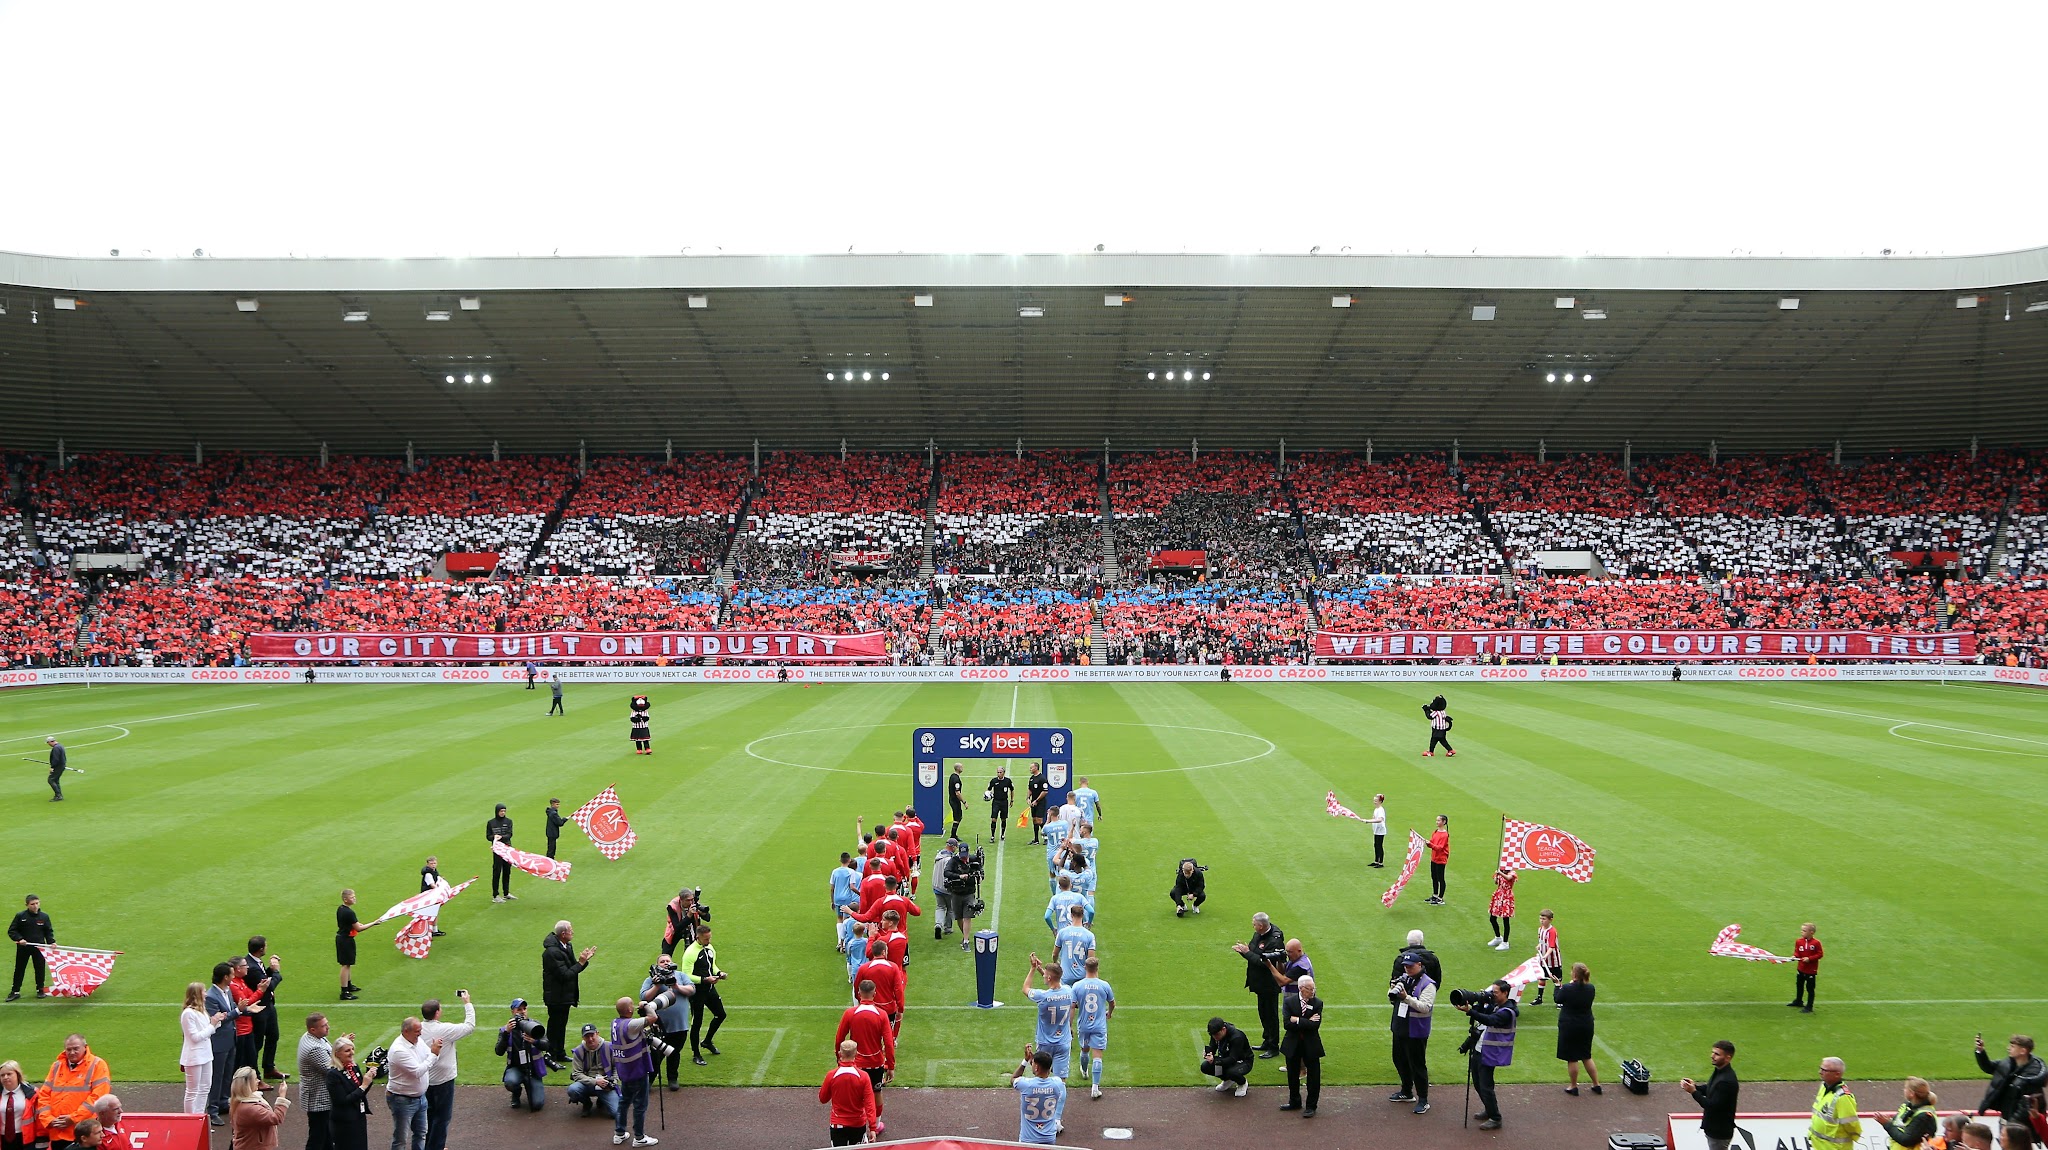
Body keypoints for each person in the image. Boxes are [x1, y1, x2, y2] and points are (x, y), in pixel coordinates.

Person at [833, 981, 895, 1137]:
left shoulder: (850, 1013)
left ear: (859, 993)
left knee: (857, 1096)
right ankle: (876, 1124)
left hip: (857, 1063)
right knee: (876, 1091)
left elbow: (840, 1038)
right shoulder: (881, 1014)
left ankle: (857, 1125)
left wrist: (838, 1056)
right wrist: (891, 1065)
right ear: (875, 993)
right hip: (876, 1063)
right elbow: (888, 1042)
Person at [1455, 979, 1518, 1130]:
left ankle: (1495, 1117)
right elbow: (1483, 1013)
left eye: (1495, 992)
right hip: (1479, 1049)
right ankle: (1489, 1109)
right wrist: (1479, 1001)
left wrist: (1470, 1011)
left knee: (1486, 1086)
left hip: (1490, 1052)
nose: (1493, 995)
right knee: (1477, 1083)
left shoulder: (1507, 1012)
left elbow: (1490, 1020)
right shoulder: (1495, 1005)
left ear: (1505, 993)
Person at [419, 991, 475, 1150]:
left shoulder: (418, 1029)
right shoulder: (445, 1030)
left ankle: (428, 1145)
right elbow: (469, 1026)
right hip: (443, 1080)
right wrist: (467, 1003)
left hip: (425, 1079)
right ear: (437, 1013)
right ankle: (435, 1147)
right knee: (442, 1117)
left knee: (428, 1115)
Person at [606, 997, 660, 1146]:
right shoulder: (632, 1024)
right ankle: (639, 1137)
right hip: (637, 1069)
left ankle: (619, 1133)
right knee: (640, 1104)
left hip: (624, 1070)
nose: (634, 1006)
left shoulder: (615, 1023)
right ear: (629, 1010)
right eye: (632, 1005)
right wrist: (646, 1005)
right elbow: (653, 1017)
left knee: (624, 1102)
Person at [39, 1034, 109, 1147]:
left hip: (84, 1135)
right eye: (69, 1049)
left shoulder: (98, 1065)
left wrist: (73, 1118)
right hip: (57, 1133)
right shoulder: (56, 1066)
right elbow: (44, 1095)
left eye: (76, 1048)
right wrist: (49, 1120)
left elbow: (97, 1098)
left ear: (85, 1047)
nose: (72, 1052)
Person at [1233, 912, 1287, 1057]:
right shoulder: (1258, 934)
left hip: (1269, 984)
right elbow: (1253, 952)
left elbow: (1264, 962)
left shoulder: (1274, 940)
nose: (1253, 926)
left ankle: (1273, 1047)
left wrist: (1248, 953)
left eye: (1254, 924)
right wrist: (1244, 952)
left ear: (1261, 926)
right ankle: (1267, 1041)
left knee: (1271, 1015)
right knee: (1263, 1013)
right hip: (1259, 983)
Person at [1975, 1034, 2046, 1143]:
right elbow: (1988, 1067)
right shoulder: (2008, 1063)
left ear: (2023, 1051)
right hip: (2007, 1119)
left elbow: (2026, 1109)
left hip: (2019, 1127)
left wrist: (2010, 1125)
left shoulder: (2033, 1078)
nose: (2008, 1048)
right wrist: (1980, 1051)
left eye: (2013, 1046)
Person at [541, 922, 595, 1063]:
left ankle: (559, 1052)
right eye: (571, 930)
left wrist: (583, 962)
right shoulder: (552, 953)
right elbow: (565, 975)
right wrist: (581, 962)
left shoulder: (566, 946)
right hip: (555, 996)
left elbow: (572, 969)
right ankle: (551, 1054)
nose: (573, 932)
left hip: (564, 995)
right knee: (555, 1026)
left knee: (561, 1024)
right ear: (563, 934)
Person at [1389, 951, 1436, 1114]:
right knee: (1399, 1059)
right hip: (1400, 1027)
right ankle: (1406, 1091)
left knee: (1417, 1065)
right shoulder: (1404, 978)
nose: (1407, 969)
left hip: (1416, 1031)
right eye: (1405, 966)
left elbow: (1425, 1007)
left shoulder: (1428, 984)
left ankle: (1423, 1099)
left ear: (1420, 965)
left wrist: (1406, 997)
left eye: (1410, 966)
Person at [383, 1018, 438, 1150]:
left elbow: (428, 1056)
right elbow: (417, 1071)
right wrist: (434, 1053)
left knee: (421, 1134)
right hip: (402, 1099)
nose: (420, 1034)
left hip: (420, 1098)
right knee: (401, 1139)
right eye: (417, 1031)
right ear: (406, 1031)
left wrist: (433, 1053)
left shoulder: (417, 1041)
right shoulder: (398, 1050)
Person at [637, 956, 691, 1089]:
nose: (666, 963)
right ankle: (649, 1080)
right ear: (657, 965)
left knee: (674, 1053)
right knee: (656, 1055)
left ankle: (672, 1079)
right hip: (658, 1027)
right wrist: (657, 986)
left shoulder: (681, 976)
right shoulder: (651, 979)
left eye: (668, 961)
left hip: (679, 1024)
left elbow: (691, 990)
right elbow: (644, 997)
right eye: (662, 962)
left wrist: (676, 986)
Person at [681, 924, 728, 1067]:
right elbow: (686, 975)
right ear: (698, 937)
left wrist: (719, 973)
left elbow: (711, 966)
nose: (708, 940)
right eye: (706, 938)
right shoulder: (690, 953)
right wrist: (704, 980)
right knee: (697, 1023)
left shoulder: (709, 948)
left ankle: (707, 1041)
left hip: (709, 989)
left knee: (721, 1014)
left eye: (709, 937)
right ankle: (696, 1054)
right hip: (696, 993)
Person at [1021, 954, 1074, 1080]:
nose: (1043, 976)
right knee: (1061, 1081)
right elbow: (1054, 983)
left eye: (1045, 975)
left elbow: (1025, 988)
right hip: (1063, 1041)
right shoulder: (1069, 991)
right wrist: (1041, 969)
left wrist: (1033, 968)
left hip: (1045, 1043)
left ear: (1049, 978)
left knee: (1041, 1076)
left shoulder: (1042, 996)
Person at [241, 937, 287, 1081]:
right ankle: (255, 1075)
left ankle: (269, 1067)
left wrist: (269, 970)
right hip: (259, 1008)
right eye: (266, 946)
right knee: (257, 1042)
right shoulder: (252, 967)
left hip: (268, 1006)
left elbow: (264, 977)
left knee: (273, 1036)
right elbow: (269, 985)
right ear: (261, 949)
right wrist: (276, 971)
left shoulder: (253, 963)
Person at [1280, 973, 1325, 1117]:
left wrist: (1297, 1020)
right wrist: (1305, 1021)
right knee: (1292, 1075)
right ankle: (1294, 1101)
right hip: (1293, 1044)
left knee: (1314, 1076)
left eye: (1313, 989)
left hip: (1311, 1045)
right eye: (1310, 989)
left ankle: (1311, 1106)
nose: (1313, 991)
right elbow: (1287, 1024)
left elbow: (1315, 1025)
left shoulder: (1317, 1003)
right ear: (1301, 988)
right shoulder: (1289, 1002)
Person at [1680, 1041, 1740, 1150]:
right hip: (1716, 1129)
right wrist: (1695, 1087)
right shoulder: (1720, 1072)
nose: (1712, 1056)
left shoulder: (1726, 1081)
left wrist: (1693, 1091)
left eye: (1717, 1054)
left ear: (1728, 1058)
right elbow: (1711, 1088)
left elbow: (1711, 1106)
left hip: (1719, 1132)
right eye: (1713, 1053)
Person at [1071, 956, 1115, 1101]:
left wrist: (1069, 1025)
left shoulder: (1077, 986)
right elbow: (1112, 1003)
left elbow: (1072, 1006)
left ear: (1085, 968)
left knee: (1084, 1049)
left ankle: (1084, 1071)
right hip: (1099, 1025)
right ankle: (1095, 1088)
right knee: (1098, 1055)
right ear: (1097, 968)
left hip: (1083, 1025)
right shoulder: (1104, 985)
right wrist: (1109, 1013)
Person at [324, 1038, 380, 1150]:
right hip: (344, 1122)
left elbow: (360, 1093)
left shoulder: (353, 1067)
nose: (352, 1053)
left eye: (352, 1049)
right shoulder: (333, 1074)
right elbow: (342, 1101)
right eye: (347, 1050)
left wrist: (368, 1080)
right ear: (337, 1054)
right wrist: (364, 1085)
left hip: (358, 1116)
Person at [819, 1040, 876, 1147]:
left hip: (837, 1124)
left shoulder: (831, 1075)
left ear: (840, 1054)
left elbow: (823, 1099)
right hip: (857, 1124)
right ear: (856, 1054)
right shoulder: (863, 1076)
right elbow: (870, 1103)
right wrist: (873, 1127)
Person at [179, 981, 225, 1115]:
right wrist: (212, 1025)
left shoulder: (202, 1011)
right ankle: (189, 1121)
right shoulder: (188, 1014)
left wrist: (217, 1021)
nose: (206, 994)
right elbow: (195, 1037)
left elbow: (208, 1030)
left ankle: (199, 1118)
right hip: (194, 1056)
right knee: (192, 1090)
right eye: (203, 991)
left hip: (206, 1054)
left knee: (205, 1088)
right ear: (197, 994)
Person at [206, 962, 243, 1124]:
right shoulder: (211, 996)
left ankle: (223, 1102)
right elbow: (219, 1019)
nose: (234, 976)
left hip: (229, 1040)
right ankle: (212, 1110)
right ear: (225, 977)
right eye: (231, 974)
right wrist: (238, 1011)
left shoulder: (226, 991)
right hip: (219, 1043)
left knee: (227, 1074)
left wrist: (245, 1009)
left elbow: (233, 1009)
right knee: (217, 1076)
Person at [1555, 962, 1601, 1094]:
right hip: (1586, 1024)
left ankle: (1573, 1086)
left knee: (1572, 1057)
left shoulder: (1568, 988)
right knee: (1586, 1055)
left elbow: (1558, 999)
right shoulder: (1591, 988)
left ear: (1574, 974)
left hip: (1569, 1025)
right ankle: (1596, 1084)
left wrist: (1558, 986)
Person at [1008, 1047, 1067, 1145]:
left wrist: (1026, 1060)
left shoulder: (1025, 1084)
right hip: (1049, 1138)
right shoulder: (1057, 1083)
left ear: (1036, 1067)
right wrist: (1037, 1063)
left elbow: (1013, 1078)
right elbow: (1044, 1073)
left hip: (1028, 1140)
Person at [494, 1000, 546, 1111]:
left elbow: (547, 1045)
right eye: (519, 1009)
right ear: (512, 1011)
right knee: (510, 1082)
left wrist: (535, 1041)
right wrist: (506, 1033)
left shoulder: (536, 1026)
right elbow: (498, 1051)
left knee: (537, 1104)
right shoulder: (505, 1029)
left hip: (533, 1070)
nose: (522, 1012)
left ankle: (530, 1085)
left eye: (524, 1009)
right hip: (516, 1068)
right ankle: (516, 1092)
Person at [297, 1014, 337, 1150]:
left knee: (326, 1135)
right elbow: (332, 1069)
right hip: (318, 1098)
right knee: (317, 1137)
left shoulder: (314, 1037)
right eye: (324, 1026)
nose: (328, 1027)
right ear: (313, 1030)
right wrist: (343, 1051)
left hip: (318, 1095)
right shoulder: (314, 1048)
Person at [565, 1025, 619, 1121]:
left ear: (597, 1034)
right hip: (587, 1084)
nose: (590, 1039)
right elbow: (576, 1074)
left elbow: (617, 1067)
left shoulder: (609, 1047)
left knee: (616, 1113)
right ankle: (586, 1103)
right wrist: (595, 1082)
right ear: (583, 1038)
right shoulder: (579, 1051)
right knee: (573, 1090)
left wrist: (613, 1081)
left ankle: (602, 1100)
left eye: (592, 1035)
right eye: (587, 1036)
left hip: (606, 1085)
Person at [228, 1068, 289, 1150]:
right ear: (248, 1084)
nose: (259, 1081)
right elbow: (276, 1118)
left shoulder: (240, 1101)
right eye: (255, 1079)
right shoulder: (250, 1109)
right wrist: (282, 1096)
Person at [8, 894, 54, 1001]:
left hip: (39, 947)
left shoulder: (44, 917)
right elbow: (12, 930)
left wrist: (52, 942)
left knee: (39, 969)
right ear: (27, 905)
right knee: (19, 969)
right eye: (32, 904)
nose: (35, 906)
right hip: (24, 948)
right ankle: (15, 991)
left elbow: (48, 931)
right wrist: (20, 939)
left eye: (37, 903)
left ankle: (40, 990)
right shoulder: (20, 916)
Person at [1811, 1058, 1863, 1150]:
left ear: (1837, 1074)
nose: (1820, 1072)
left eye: (1824, 1070)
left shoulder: (1843, 1097)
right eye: (1820, 1068)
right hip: (1820, 1146)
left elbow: (1851, 1125)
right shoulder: (1824, 1087)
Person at [1200, 1017, 1254, 1098]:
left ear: (1223, 1029)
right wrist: (1208, 1053)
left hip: (1243, 1062)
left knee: (1231, 1072)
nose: (1215, 1037)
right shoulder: (1215, 1034)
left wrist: (1214, 1061)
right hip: (1226, 1059)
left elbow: (1232, 1059)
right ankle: (1227, 1080)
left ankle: (1242, 1083)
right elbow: (1213, 1047)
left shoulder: (1237, 1037)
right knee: (1205, 1067)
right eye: (1212, 1035)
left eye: (1216, 1035)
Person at [1881, 1078, 1940, 1150]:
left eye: (1906, 1088)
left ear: (1912, 1093)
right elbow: (1897, 1124)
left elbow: (1906, 1140)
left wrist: (1887, 1124)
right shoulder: (1907, 1106)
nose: (1904, 1090)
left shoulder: (1924, 1116)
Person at [2, 1059, 43, 1150]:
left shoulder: (32, 1093)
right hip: (2, 1140)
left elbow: (39, 1119)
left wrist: (41, 1142)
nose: (5, 1077)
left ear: (17, 1074)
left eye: (9, 1074)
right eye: (2, 1075)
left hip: (25, 1140)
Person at [1054, 905, 1096, 988]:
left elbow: (1055, 954)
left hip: (1066, 975)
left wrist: (1056, 962)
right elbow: (1091, 960)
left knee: (1066, 999)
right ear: (1082, 915)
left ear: (1071, 915)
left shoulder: (1062, 932)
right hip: (1082, 976)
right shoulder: (1089, 935)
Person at [1530, 909, 1563, 1004]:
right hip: (1543, 960)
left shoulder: (1552, 931)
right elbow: (1542, 942)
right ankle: (1539, 998)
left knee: (1556, 980)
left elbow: (1551, 947)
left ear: (1550, 920)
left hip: (1553, 960)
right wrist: (1539, 946)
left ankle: (1559, 1000)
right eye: (1540, 918)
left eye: (1544, 919)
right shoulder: (1540, 929)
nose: (1541, 920)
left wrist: (1545, 956)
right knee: (1542, 978)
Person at [335, 890, 362, 1002]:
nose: (354, 899)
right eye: (352, 897)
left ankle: (349, 985)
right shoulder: (349, 912)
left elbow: (355, 924)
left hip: (343, 938)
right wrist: (374, 923)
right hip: (345, 940)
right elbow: (359, 928)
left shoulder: (341, 909)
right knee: (345, 965)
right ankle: (344, 991)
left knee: (348, 964)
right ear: (345, 899)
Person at [487, 805, 517, 903]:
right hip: (497, 850)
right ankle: (495, 895)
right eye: (501, 811)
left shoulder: (508, 821)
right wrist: (494, 837)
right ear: (497, 811)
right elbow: (488, 836)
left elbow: (509, 834)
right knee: (497, 871)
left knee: (507, 870)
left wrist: (501, 837)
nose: (503, 813)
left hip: (507, 849)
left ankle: (506, 893)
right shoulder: (491, 823)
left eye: (504, 811)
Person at [1790, 923, 1822, 1012]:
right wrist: (1794, 956)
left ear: (1811, 932)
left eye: (1804, 931)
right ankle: (1798, 1001)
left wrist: (1809, 959)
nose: (1802, 932)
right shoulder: (1799, 941)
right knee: (1799, 985)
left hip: (1811, 970)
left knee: (1810, 988)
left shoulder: (1816, 943)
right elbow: (1797, 952)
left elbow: (1820, 954)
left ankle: (1809, 1006)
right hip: (1801, 968)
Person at [1487, 867, 1516, 951]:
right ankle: (1498, 937)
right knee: (1492, 918)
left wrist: (1500, 873)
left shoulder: (1512, 873)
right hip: (1499, 895)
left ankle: (1505, 942)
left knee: (1505, 920)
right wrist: (1496, 877)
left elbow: (1508, 878)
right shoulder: (1501, 872)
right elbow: (1496, 883)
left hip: (1507, 897)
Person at [1425, 815, 1450, 905]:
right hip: (1434, 858)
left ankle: (1440, 898)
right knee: (1434, 877)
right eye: (1436, 820)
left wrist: (1430, 844)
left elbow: (1440, 848)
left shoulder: (1444, 835)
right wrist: (1427, 843)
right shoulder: (1435, 832)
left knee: (1440, 878)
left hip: (1440, 859)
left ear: (1444, 822)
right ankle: (1435, 895)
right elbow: (1432, 842)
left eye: (1439, 820)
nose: (1437, 822)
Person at [985, 765, 1014, 841]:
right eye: (998, 772)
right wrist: (988, 796)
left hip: (1004, 802)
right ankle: (992, 836)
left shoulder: (1007, 781)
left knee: (1003, 819)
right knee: (994, 819)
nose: (999, 774)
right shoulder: (994, 781)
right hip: (996, 802)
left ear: (1003, 773)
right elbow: (988, 790)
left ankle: (1002, 834)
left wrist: (1012, 800)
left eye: (1000, 772)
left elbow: (1012, 790)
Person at [1025, 763, 1050, 844]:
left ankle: (1046, 837)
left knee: (1039, 820)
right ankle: (1036, 839)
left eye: (1031, 767)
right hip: (1033, 802)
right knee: (1034, 820)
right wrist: (1028, 798)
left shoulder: (1042, 778)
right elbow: (1030, 789)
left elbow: (1045, 791)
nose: (1030, 769)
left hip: (1040, 802)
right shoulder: (1032, 778)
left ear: (1036, 768)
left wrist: (1037, 800)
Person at [946, 763, 965, 839]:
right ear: (958, 768)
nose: (962, 768)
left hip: (952, 800)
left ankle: (953, 835)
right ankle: (953, 835)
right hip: (955, 801)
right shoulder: (956, 779)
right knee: (957, 817)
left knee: (958, 817)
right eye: (961, 767)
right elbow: (958, 793)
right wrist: (964, 802)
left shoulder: (952, 776)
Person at [45, 737, 67, 802]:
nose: (48, 744)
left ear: (50, 742)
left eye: (48, 743)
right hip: (61, 765)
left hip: (58, 766)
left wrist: (52, 767)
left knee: (51, 780)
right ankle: (58, 795)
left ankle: (58, 795)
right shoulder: (60, 746)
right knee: (55, 780)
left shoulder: (56, 748)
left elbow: (55, 759)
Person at [1370, 794, 1387, 867]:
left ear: (1380, 801)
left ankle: (1381, 863)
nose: (1374, 802)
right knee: (1376, 845)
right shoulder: (1376, 809)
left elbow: (1380, 819)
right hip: (1376, 830)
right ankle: (1376, 860)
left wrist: (1368, 821)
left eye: (1376, 801)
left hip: (1380, 831)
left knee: (1379, 846)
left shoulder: (1380, 810)